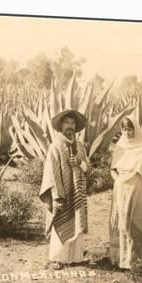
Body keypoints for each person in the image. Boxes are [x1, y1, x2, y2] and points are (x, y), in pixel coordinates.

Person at [39, 109, 90, 270]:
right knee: (61, 222)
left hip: (78, 192)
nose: (70, 126)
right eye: (67, 123)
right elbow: (51, 173)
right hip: (61, 192)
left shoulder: (80, 146)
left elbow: (88, 168)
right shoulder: (56, 147)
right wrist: (57, 195)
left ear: (76, 127)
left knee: (77, 222)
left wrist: (80, 162)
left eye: (72, 123)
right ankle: (57, 258)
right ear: (61, 126)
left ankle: (76, 257)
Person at [109, 115, 142, 269]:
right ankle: (123, 260)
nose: (127, 132)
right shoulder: (121, 146)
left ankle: (137, 260)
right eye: (124, 129)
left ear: (136, 129)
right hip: (121, 190)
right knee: (123, 224)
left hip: (138, 190)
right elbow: (113, 169)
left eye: (130, 129)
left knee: (137, 222)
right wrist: (118, 180)